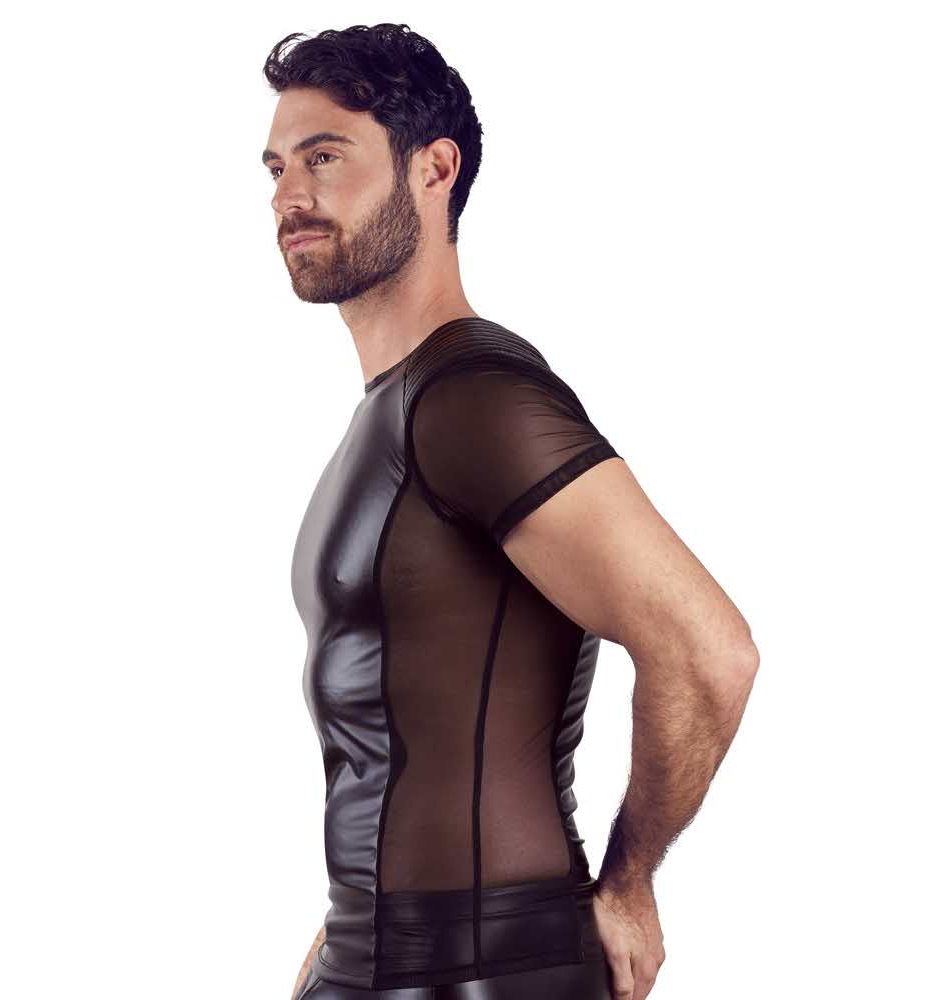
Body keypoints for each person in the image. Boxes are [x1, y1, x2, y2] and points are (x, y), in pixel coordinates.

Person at [261, 23, 760, 1000]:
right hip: (377, 960)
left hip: (488, 971)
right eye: (276, 168)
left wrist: (630, 880)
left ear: (434, 168)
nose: (288, 196)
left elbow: (709, 650)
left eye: (324, 158)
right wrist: (350, 926)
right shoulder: (399, 408)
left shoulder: (476, 395)